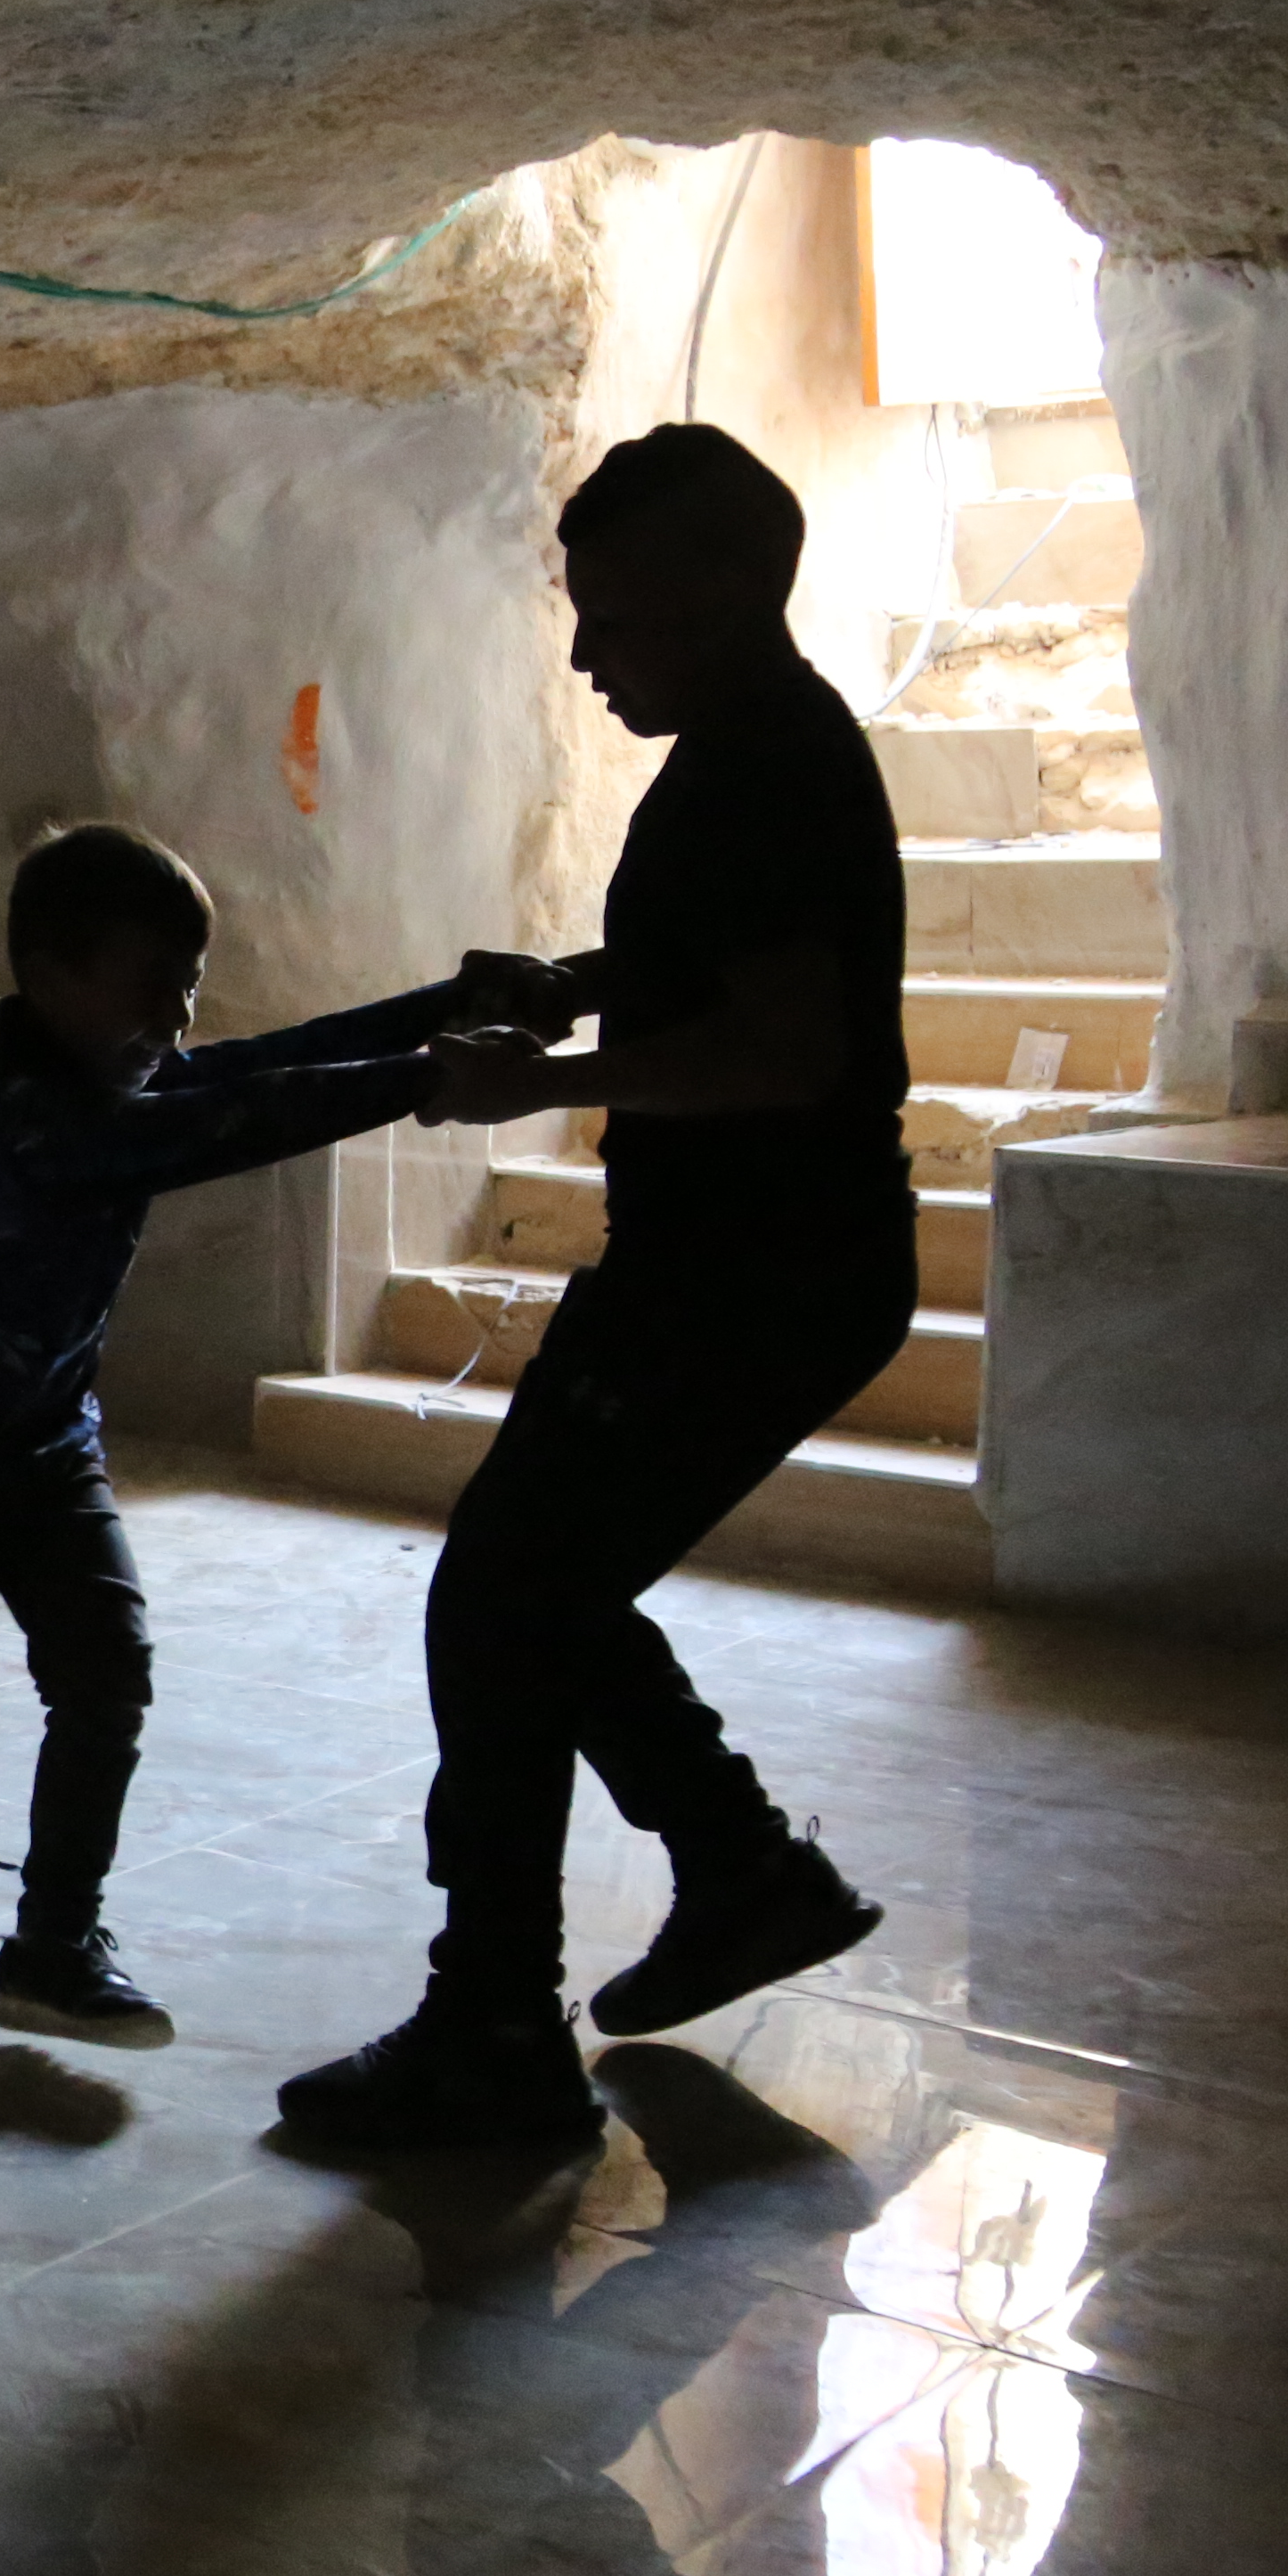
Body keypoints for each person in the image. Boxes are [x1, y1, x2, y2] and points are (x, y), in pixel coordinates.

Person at [276, 423, 921, 2149]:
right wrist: (570, 984)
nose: (586, 653)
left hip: (759, 1274)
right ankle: (737, 1872)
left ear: (721, 591)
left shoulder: (768, 763)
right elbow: (721, 968)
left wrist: (537, 1086)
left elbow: (788, 1050)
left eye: (611, 615)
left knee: (504, 1593)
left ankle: (498, 2022)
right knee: (536, 1587)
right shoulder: (746, 754)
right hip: (747, 1268)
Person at [0, 825, 460, 2049]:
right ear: (54, 979)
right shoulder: (39, 1125)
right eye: (154, 980)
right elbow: (239, 1120)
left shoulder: (107, 1078)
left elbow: (251, 1070)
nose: (180, 1011)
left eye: (190, 980)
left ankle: (52, 1946)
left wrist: (452, 1009)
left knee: (107, 1683)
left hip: (50, 1452)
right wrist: (431, 1074)